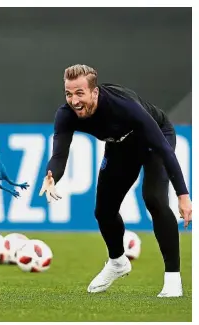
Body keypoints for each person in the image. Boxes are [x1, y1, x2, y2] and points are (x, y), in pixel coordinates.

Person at [39, 64, 192, 298]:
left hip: (155, 141)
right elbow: (59, 155)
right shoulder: (66, 114)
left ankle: (173, 278)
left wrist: (183, 196)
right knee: (103, 211)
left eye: (80, 93)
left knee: (154, 198)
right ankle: (118, 262)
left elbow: (164, 148)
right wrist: (51, 176)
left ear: (95, 92)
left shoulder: (124, 106)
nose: (74, 100)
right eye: (68, 93)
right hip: (119, 146)